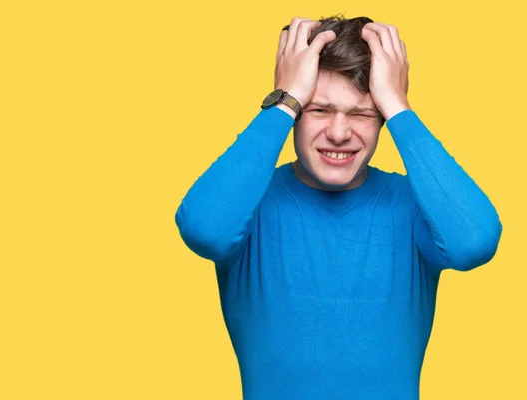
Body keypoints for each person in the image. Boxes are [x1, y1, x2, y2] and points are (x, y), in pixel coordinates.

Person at [174, 14, 502, 400]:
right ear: (295, 114)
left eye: (362, 114)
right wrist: (284, 100)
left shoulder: (412, 207)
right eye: (318, 110)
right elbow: (203, 228)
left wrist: (398, 106)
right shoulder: (250, 205)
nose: (339, 133)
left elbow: (474, 241)